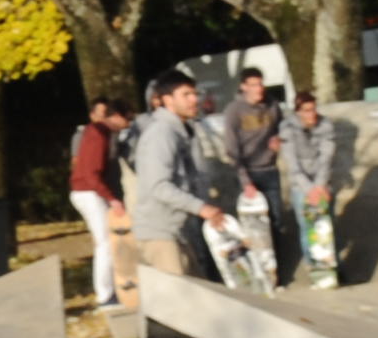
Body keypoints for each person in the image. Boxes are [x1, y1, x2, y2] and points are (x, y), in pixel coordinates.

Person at [125, 74, 236, 291]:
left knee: (198, 295)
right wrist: (202, 208)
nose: (194, 99)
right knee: (180, 306)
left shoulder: (180, 130)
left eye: (195, 93)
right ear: (167, 100)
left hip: (178, 230)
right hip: (160, 233)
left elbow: (188, 180)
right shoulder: (161, 133)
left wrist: (204, 210)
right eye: (186, 94)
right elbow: (158, 186)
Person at [223, 72, 297, 287]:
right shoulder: (234, 111)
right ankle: (256, 272)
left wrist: (278, 139)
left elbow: (284, 127)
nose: (259, 89)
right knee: (253, 226)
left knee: (275, 221)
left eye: (261, 84)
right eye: (253, 85)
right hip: (248, 171)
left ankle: (277, 274)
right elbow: (231, 149)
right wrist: (246, 181)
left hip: (270, 170)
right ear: (244, 87)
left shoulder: (272, 105)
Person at [283, 92, 354, 284]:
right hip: (301, 184)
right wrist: (309, 189)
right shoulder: (287, 128)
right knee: (308, 228)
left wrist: (320, 186)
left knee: (327, 227)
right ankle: (313, 265)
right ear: (297, 111)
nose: (311, 114)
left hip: (322, 182)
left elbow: (326, 158)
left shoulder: (325, 126)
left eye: (313, 109)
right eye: (306, 111)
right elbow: (292, 163)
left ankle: (334, 266)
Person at [66, 99, 128, 307]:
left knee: (105, 242)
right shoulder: (98, 134)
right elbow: (91, 172)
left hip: (88, 191)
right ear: (117, 116)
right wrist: (111, 198)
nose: (127, 123)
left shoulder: (100, 133)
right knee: (104, 243)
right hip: (89, 192)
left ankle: (109, 290)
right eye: (127, 118)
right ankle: (105, 294)